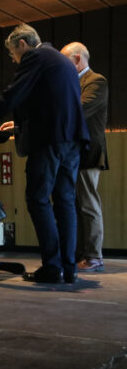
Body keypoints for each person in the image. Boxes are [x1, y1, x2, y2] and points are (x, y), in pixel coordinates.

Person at [0, 24, 89, 284]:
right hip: (72, 140)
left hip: (49, 141)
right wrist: (19, 125)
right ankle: (68, 269)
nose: (14, 59)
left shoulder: (35, 57)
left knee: (37, 199)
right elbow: (50, 102)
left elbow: (12, 94)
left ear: (22, 44)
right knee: (65, 202)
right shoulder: (60, 60)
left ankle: (52, 267)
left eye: (12, 54)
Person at [61, 42, 109, 273]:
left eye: (66, 61)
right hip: (73, 153)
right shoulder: (73, 82)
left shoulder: (96, 81)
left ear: (78, 59)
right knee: (75, 205)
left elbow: (79, 109)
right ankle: (79, 253)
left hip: (88, 153)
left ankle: (93, 255)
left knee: (89, 205)